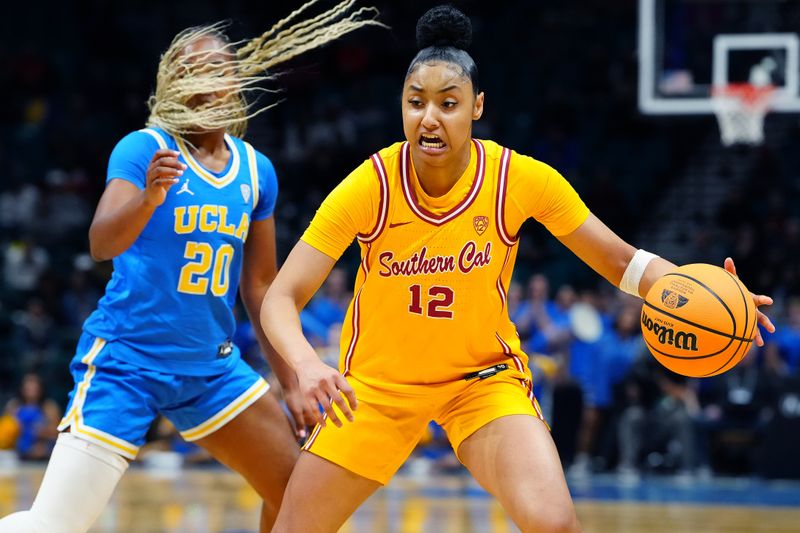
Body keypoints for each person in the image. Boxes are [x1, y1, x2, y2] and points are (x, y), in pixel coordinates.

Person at [260, 6, 775, 532]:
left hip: (479, 383)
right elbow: (281, 297)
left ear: (477, 106)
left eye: (448, 103)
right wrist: (307, 365)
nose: (429, 117)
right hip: (377, 388)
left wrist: (704, 291)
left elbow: (621, 261)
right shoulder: (370, 184)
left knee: (554, 524)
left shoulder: (519, 179)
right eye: (415, 103)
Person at [0, 2, 381, 532]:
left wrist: (291, 379)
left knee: (299, 494)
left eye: (222, 71)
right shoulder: (146, 148)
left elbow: (262, 287)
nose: (214, 82)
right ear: (176, 83)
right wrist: (148, 198)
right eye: (198, 71)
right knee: (55, 526)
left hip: (209, 369)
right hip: (127, 363)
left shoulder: (255, 170)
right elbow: (100, 242)